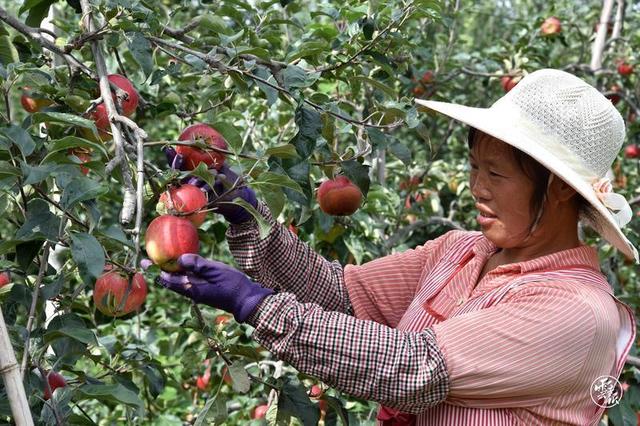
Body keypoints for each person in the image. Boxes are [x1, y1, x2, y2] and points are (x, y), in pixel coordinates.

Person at [153, 69, 637, 425]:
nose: (476, 188)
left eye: (495, 173)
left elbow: (418, 367)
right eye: (473, 167)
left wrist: (257, 306)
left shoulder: (576, 312)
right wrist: (249, 217)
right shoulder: (460, 251)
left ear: (559, 189)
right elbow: (340, 295)